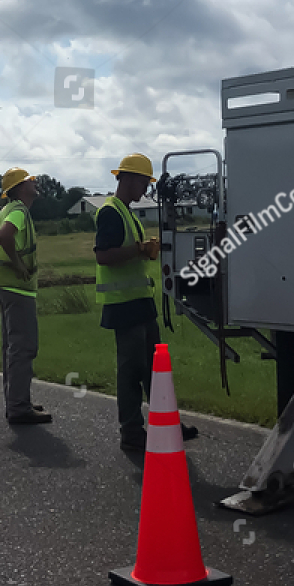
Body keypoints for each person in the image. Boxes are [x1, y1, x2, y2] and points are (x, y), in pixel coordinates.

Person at [93, 154, 198, 449]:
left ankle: (165, 423)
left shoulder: (126, 212)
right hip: (124, 305)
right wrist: (139, 249)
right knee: (131, 370)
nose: (145, 188)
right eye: (142, 182)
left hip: (139, 302)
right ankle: (132, 432)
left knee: (155, 368)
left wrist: (142, 249)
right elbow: (103, 255)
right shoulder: (111, 212)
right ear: (125, 179)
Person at [0, 168, 51, 425]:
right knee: (24, 346)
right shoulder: (19, 211)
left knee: (11, 347)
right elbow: (3, 235)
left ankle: (16, 401)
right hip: (18, 288)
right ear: (21, 188)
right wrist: (17, 264)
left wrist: (3, 259)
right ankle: (20, 406)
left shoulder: (8, 209)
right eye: (30, 180)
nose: (35, 182)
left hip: (5, 286)